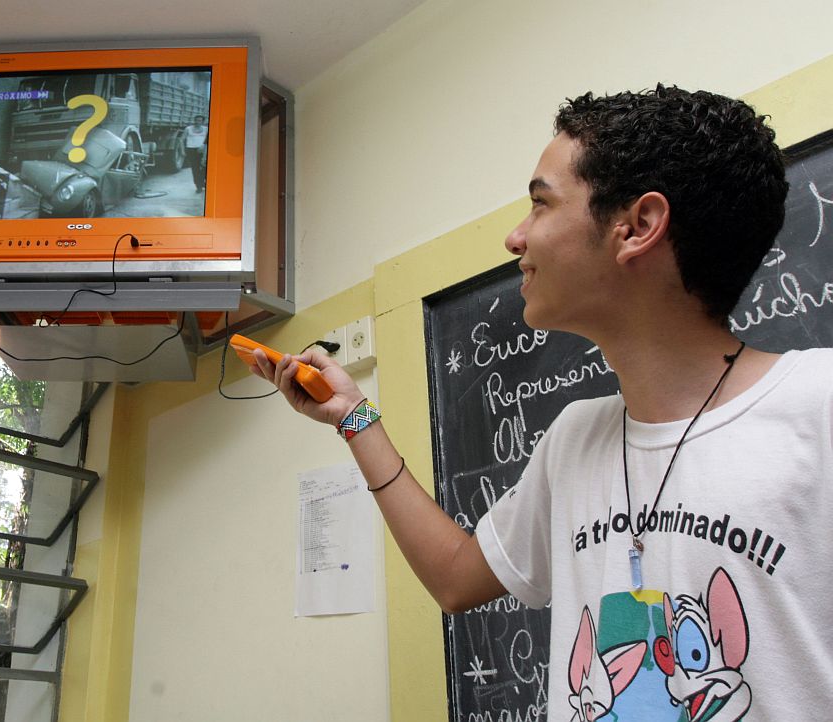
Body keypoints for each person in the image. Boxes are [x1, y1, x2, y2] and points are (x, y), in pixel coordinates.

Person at [250, 84, 833, 719]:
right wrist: (353, 417)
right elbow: (455, 578)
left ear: (637, 227)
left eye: (540, 205)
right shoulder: (575, 438)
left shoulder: (818, 404)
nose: (514, 237)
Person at [184, 114, 208, 192]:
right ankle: (198, 186)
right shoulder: (188, 129)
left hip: (202, 150)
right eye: (196, 120)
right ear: (194, 121)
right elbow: (182, 139)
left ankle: (202, 182)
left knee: (204, 167)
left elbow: (208, 141)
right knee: (195, 169)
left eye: (200, 120)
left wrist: (203, 147)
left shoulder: (206, 129)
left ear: (203, 122)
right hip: (191, 151)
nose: (198, 122)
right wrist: (182, 151)